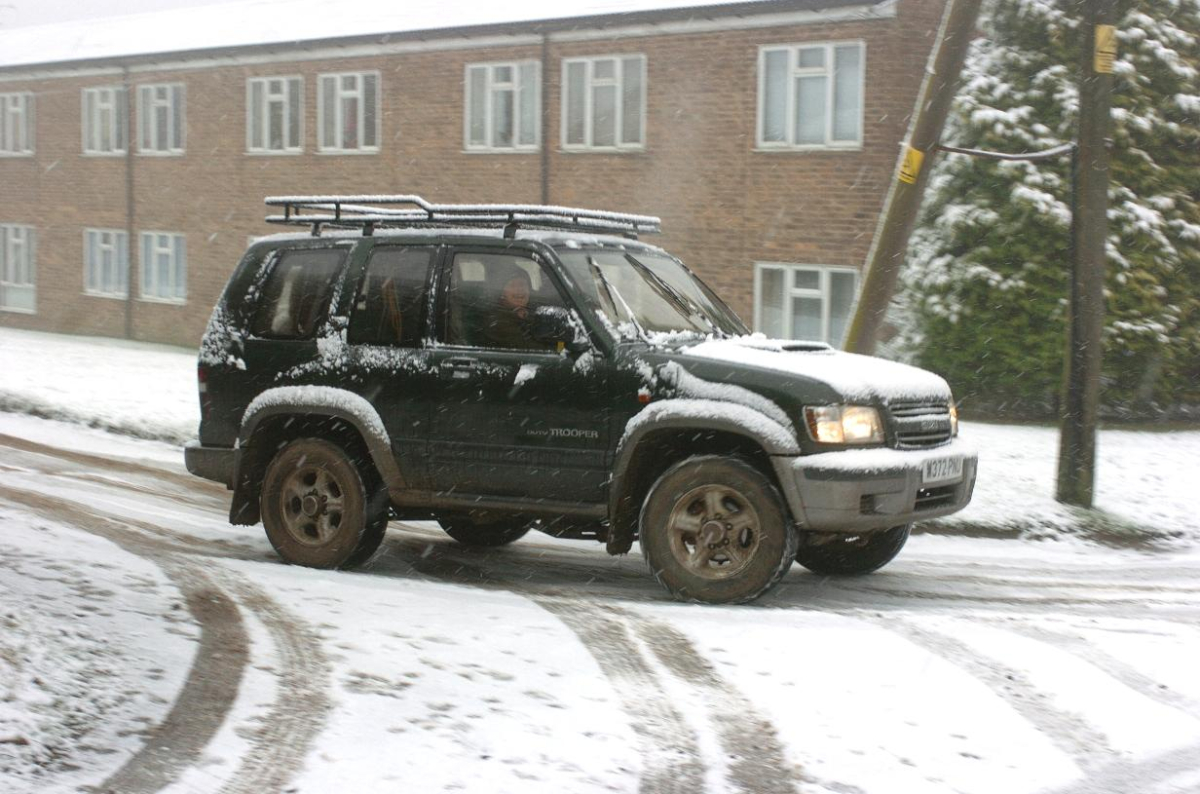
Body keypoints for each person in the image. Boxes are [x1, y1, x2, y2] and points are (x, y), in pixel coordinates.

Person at [484, 264, 540, 350]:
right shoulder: (499, 322)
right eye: (512, 285)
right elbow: (537, 352)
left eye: (523, 284)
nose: (519, 289)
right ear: (502, 293)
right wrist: (560, 343)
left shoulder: (535, 313)